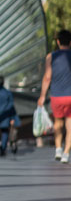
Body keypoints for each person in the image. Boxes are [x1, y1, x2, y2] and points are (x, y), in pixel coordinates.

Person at [38, 29, 71, 163]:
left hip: (56, 96)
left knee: (58, 123)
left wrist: (42, 96)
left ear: (58, 42)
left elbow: (47, 77)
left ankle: (58, 148)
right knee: (70, 126)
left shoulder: (51, 57)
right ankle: (66, 153)